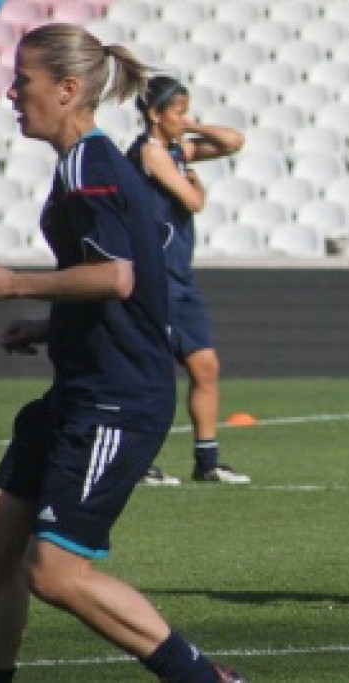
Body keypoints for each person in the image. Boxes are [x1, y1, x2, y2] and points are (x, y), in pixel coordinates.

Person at [0, 24, 244, 682]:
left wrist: (14, 284)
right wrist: (48, 327)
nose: (10, 94)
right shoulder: (84, 163)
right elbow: (121, 281)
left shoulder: (91, 165)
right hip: (82, 388)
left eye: (23, 82)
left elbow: (116, 276)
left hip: (117, 400)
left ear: (67, 89)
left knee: (55, 572)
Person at [127, 74, 249, 485]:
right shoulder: (150, 153)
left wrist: (190, 125)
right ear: (154, 114)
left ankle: (207, 461)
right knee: (152, 373)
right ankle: (136, 462)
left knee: (205, 366)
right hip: (154, 277)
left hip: (180, 277)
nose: (184, 119)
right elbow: (193, 201)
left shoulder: (177, 149)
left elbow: (234, 141)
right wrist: (198, 187)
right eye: (178, 112)